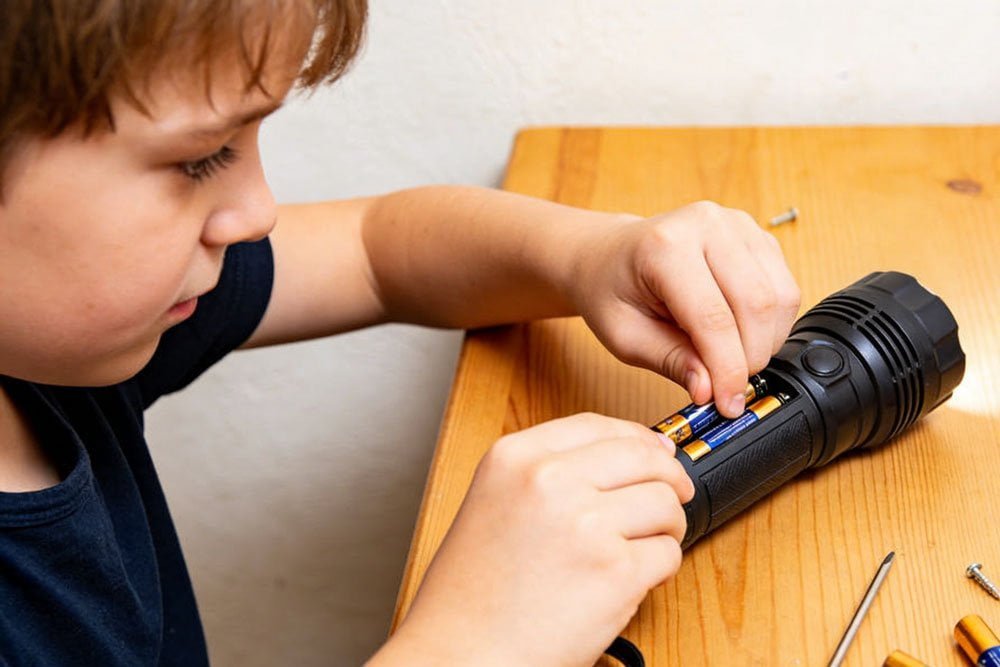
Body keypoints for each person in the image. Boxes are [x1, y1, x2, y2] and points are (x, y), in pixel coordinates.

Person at [0, 1, 800, 665]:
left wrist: (592, 253)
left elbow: (376, 250)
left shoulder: (53, 343)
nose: (259, 211)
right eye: (202, 158)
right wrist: (467, 644)